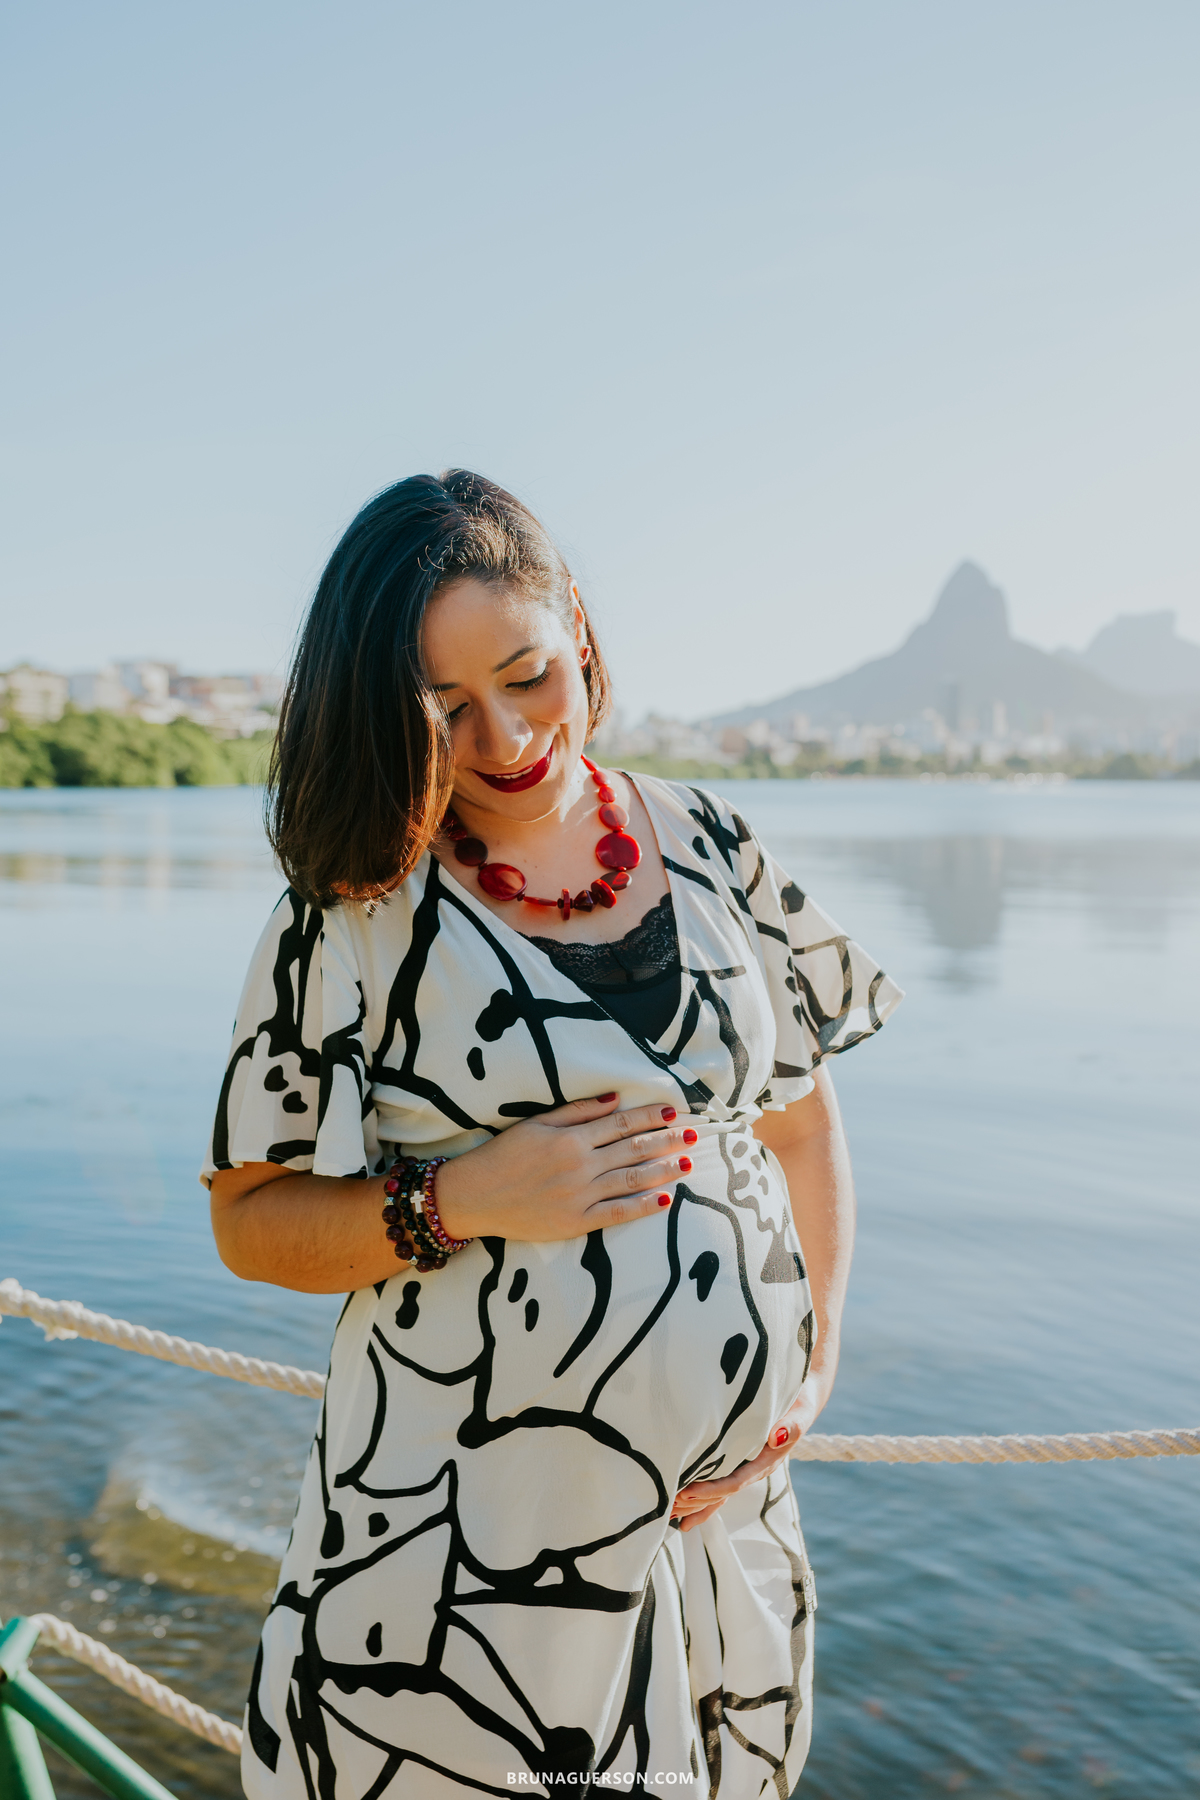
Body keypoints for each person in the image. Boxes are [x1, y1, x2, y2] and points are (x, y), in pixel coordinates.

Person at [204, 470, 901, 1800]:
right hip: (460, 1569)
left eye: (528, 674)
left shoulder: (714, 841)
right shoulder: (351, 907)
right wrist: (455, 1199)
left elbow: (804, 1130)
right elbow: (248, 1218)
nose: (507, 733)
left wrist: (812, 1371)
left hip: (706, 1537)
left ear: (577, 624)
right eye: (446, 706)